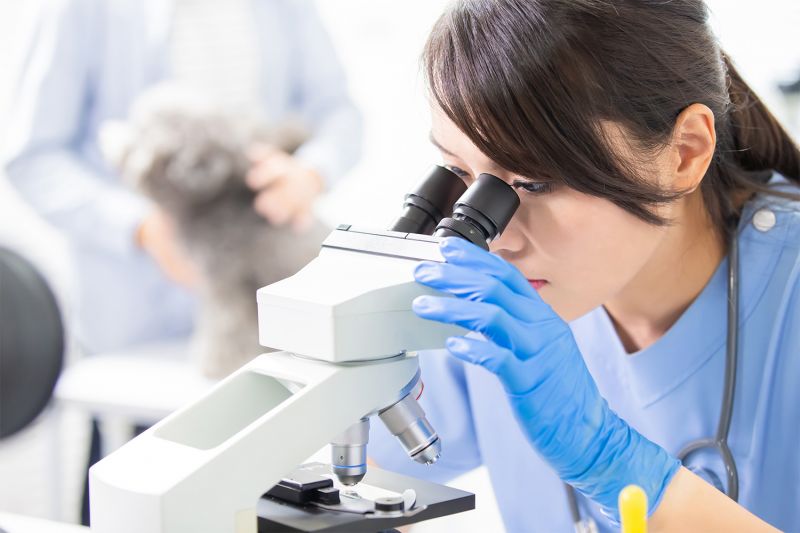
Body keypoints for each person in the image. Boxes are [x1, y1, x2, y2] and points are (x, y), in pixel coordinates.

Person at [368, 1, 799, 531]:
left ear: (684, 152)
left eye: (535, 182)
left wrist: (607, 460)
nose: (493, 235)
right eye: (460, 173)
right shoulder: (488, 306)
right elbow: (364, 486)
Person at [2, 0, 362, 355]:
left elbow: (338, 111)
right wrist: (141, 228)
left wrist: (310, 172)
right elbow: (32, 158)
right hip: (138, 321)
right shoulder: (76, 9)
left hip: (272, 307)